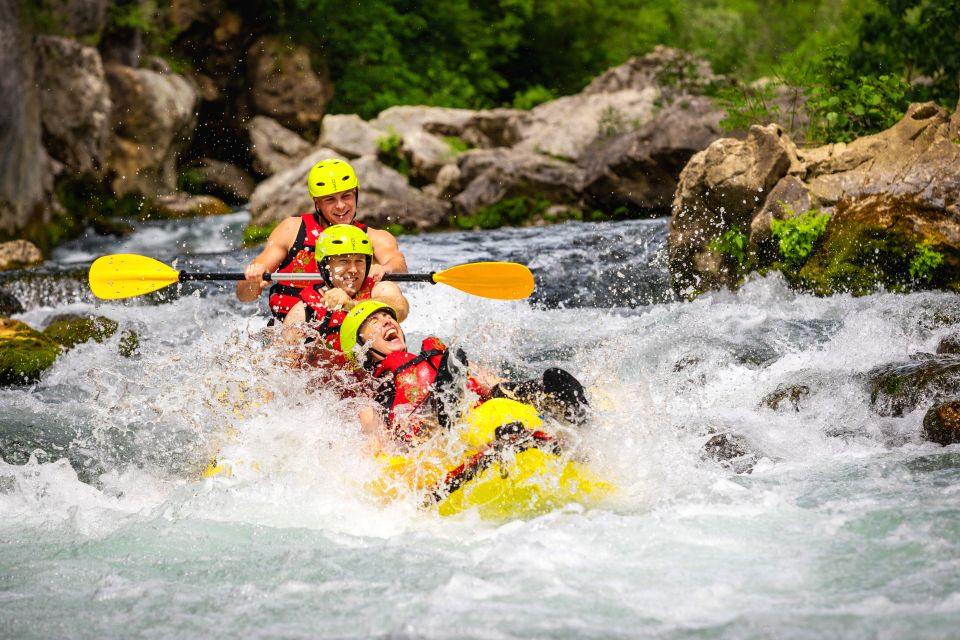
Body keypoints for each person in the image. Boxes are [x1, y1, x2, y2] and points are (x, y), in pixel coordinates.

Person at [337, 301, 590, 447]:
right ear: (362, 349)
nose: (387, 322)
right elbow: (379, 449)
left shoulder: (437, 356)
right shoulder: (370, 399)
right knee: (450, 374)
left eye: (388, 318)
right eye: (374, 323)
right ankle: (445, 412)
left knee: (485, 382)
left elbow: (490, 382)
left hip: (481, 416)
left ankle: (545, 396)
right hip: (428, 438)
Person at [237, 158, 408, 320]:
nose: (341, 206)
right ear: (317, 203)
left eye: (346, 196)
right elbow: (244, 296)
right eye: (330, 200)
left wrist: (387, 268)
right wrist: (254, 277)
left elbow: (398, 264)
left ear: (356, 194)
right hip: (294, 333)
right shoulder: (291, 230)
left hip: (349, 329)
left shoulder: (374, 238)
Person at [280, 225, 409, 368]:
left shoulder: (379, 287)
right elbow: (282, 370)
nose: (353, 269)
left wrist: (351, 305)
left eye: (359, 261)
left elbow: (400, 308)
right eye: (343, 261)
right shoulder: (303, 312)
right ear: (324, 266)